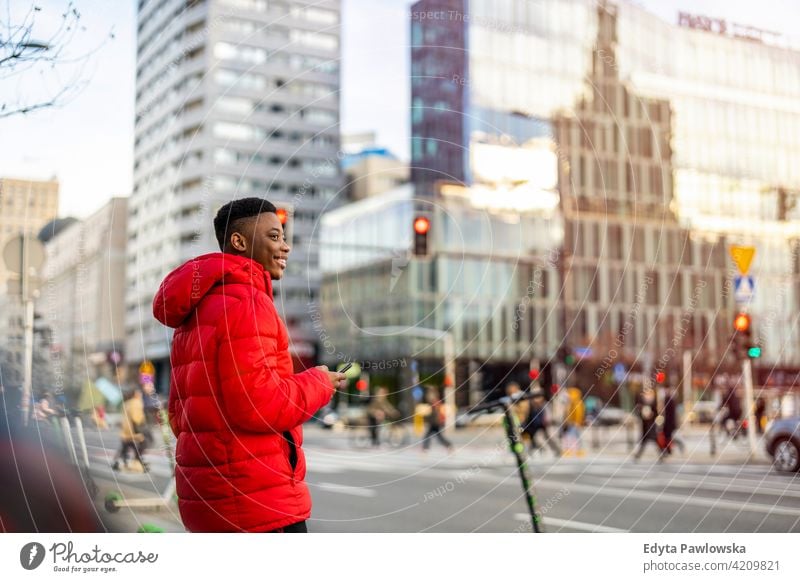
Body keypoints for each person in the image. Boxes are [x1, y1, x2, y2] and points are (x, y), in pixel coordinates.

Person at [152, 197, 346, 533]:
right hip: (257, 502)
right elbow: (261, 404)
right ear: (239, 241)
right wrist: (320, 382)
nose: (285, 247)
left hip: (210, 498)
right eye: (273, 237)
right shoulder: (247, 302)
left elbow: (180, 415)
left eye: (284, 237)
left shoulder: (196, 310)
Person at [112, 388, 148, 472]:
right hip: (133, 430)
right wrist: (142, 422)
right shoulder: (136, 402)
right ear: (135, 394)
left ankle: (118, 462)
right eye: (139, 393)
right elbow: (136, 418)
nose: (140, 395)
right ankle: (137, 462)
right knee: (142, 443)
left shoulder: (127, 403)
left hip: (125, 429)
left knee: (126, 446)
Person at [522, 389, 561, 457]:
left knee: (551, 436)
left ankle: (558, 451)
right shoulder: (531, 407)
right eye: (534, 398)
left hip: (546, 426)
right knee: (538, 439)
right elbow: (528, 418)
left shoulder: (545, 405)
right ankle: (545, 451)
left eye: (538, 397)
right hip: (535, 428)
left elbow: (550, 417)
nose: (536, 400)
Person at [421, 387, 453, 453]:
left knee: (429, 435)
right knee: (438, 436)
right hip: (435, 422)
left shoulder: (435, 403)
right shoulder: (436, 402)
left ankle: (425, 448)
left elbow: (436, 413)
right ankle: (448, 445)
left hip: (434, 422)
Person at [633, 386, 660, 461]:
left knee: (655, 440)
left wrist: (652, 415)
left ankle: (661, 453)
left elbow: (656, 412)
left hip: (651, 424)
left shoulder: (654, 401)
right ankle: (638, 454)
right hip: (645, 424)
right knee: (644, 440)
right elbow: (638, 411)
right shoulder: (642, 402)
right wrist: (642, 414)